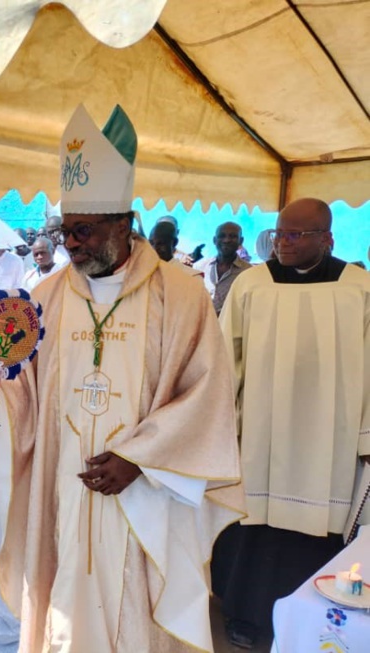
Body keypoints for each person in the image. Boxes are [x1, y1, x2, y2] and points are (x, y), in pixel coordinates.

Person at [0, 104, 244, 652]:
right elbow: (25, 390)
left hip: (144, 494)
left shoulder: (180, 295)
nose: (71, 244)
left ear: (123, 223)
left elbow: (207, 393)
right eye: (65, 232)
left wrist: (139, 459)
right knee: (66, 604)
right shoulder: (46, 296)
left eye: (84, 231)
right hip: (63, 485)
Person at [214, 198, 370, 648]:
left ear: (328, 238)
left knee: (317, 533)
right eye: (279, 233)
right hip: (260, 433)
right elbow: (224, 357)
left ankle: (316, 626)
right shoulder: (252, 285)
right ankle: (245, 616)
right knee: (254, 529)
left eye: (296, 235)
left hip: (333, 438)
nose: (283, 243)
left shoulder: (359, 289)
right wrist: (222, 423)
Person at [193, 222, 251, 314]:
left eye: (232, 236)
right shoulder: (199, 267)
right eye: (222, 236)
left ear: (241, 241)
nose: (226, 240)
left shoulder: (248, 272)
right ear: (214, 240)